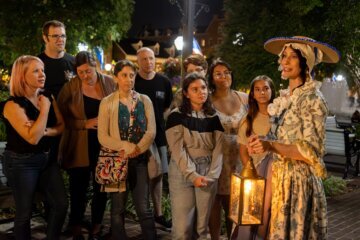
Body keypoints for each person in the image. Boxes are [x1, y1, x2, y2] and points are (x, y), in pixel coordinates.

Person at [248, 36, 340, 239]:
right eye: (283, 56)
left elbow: (312, 151)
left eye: (292, 57)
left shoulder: (312, 99)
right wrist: (261, 143)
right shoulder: (287, 97)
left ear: (306, 62)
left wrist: (270, 145)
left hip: (298, 184)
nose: (284, 61)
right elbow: (283, 138)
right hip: (278, 178)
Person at [1, 55, 67, 239]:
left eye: (43, 70)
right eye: (36, 71)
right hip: (21, 163)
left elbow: (61, 126)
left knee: (60, 204)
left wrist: (45, 131)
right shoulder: (12, 106)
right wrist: (45, 109)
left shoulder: (47, 95)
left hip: (46, 159)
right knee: (24, 213)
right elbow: (32, 139)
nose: (42, 74)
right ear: (22, 75)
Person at [57, 51, 116, 239]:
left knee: (101, 187)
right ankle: (76, 225)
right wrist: (85, 123)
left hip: (105, 144)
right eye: (80, 72)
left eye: (88, 71)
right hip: (79, 145)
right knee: (78, 188)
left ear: (96, 66)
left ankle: (97, 225)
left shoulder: (109, 83)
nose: (85, 76)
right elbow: (60, 119)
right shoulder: (70, 88)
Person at [98, 59, 157, 239]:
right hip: (117, 161)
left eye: (132, 75)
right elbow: (103, 136)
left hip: (139, 160)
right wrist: (125, 146)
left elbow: (151, 130)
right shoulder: (107, 103)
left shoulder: (144, 100)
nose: (128, 79)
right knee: (117, 209)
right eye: (124, 75)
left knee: (144, 208)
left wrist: (137, 148)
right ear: (116, 77)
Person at [166, 72, 224, 239]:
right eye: (195, 89)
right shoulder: (176, 116)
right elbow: (177, 150)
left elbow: (219, 149)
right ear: (186, 93)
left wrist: (212, 175)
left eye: (204, 88)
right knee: (183, 228)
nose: (201, 92)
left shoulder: (214, 117)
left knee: (202, 228)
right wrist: (192, 175)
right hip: (182, 171)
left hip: (207, 171)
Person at [207, 59, 248, 240]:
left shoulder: (244, 98)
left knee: (235, 203)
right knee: (215, 202)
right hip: (216, 157)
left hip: (238, 158)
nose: (223, 76)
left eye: (227, 72)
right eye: (218, 73)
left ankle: (233, 237)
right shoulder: (207, 100)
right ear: (212, 78)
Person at [232, 75, 276, 240]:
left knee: (270, 211)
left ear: (272, 90)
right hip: (256, 171)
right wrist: (251, 174)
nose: (262, 93)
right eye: (257, 89)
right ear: (252, 94)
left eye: (265, 88)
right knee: (255, 211)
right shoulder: (248, 120)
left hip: (276, 171)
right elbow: (243, 150)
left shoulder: (279, 117)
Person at [135, 47, 173, 228]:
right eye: (144, 59)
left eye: (151, 58)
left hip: (159, 137)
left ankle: (157, 213)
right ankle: (143, 212)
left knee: (158, 175)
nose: (148, 62)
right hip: (137, 138)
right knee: (140, 176)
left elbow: (166, 107)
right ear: (138, 61)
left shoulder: (164, 82)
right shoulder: (132, 81)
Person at [38, 20, 75, 98]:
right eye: (55, 36)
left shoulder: (74, 61)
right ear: (45, 38)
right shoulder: (36, 63)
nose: (60, 39)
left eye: (63, 36)